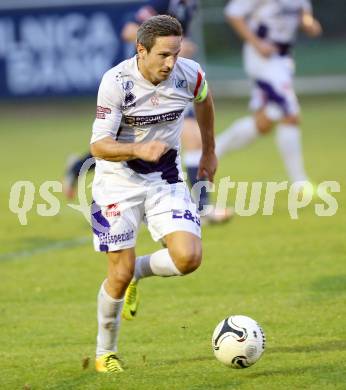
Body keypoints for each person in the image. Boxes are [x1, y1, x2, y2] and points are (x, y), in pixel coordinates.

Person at [91, 15, 217, 373]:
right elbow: (98, 145)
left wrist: (208, 151)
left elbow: (205, 100)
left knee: (189, 258)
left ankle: (138, 274)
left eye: (175, 53)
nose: (171, 63)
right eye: (163, 55)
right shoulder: (115, 82)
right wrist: (136, 150)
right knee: (117, 272)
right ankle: (105, 354)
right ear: (141, 50)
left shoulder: (188, 73)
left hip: (165, 179)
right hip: (116, 183)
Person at [64, 0, 231, 224]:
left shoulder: (189, 5)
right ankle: (78, 168)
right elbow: (128, 31)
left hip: (169, 83)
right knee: (119, 144)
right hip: (137, 86)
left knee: (193, 139)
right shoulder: (160, 2)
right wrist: (162, 46)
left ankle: (202, 205)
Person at [216, 0, 322, 191]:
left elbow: (304, 16)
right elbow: (233, 13)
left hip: (283, 60)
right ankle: (300, 183)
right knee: (290, 115)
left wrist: (309, 24)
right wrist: (257, 44)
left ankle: (212, 150)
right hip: (262, 59)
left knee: (264, 123)